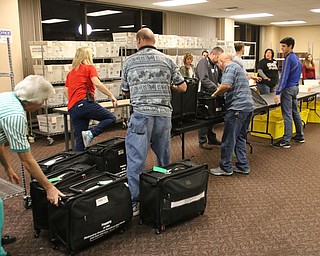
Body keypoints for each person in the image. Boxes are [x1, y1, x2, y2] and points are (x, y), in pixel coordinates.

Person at [121, 28, 187, 216]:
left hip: (141, 116)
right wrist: (169, 86)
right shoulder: (167, 60)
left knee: (136, 160)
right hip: (163, 116)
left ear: (139, 41)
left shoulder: (129, 62)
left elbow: (125, 91)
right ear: (153, 40)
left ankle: (135, 202)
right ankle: (163, 193)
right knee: (163, 158)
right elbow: (183, 87)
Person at [0, 75, 64, 255]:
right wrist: (49, 187)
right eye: (43, 100)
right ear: (32, 101)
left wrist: (7, 167)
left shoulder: (8, 97)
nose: (43, 104)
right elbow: (27, 159)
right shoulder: (15, 116)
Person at [64, 47, 118, 151]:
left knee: (80, 140)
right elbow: (96, 83)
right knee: (111, 118)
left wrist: (75, 100)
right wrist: (111, 95)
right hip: (84, 103)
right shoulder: (89, 67)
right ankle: (91, 133)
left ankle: (77, 164)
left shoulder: (70, 73)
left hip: (73, 108)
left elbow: (66, 91)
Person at [210, 52, 254, 176]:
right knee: (240, 137)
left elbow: (226, 85)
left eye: (219, 64)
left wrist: (214, 94)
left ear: (222, 62)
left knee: (228, 139)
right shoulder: (238, 67)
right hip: (247, 108)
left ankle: (225, 167)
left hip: (237, 109)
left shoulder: (229, 67)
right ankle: (243, 165)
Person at [273, 37, 304, 148]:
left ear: (290, 46)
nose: (281, 48)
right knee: (295, 112)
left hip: (288, 89)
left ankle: (286, 140)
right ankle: (300, 135)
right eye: (281, 46)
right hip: (295, 88)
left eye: (284, 46)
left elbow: (284, 77)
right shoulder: (297, 58)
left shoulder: (288, 59)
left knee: (287, 114)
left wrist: (278, 92)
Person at [196, 46, 224, 150]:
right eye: (218, 58)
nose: (219, 60)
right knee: (204, 118)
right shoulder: (203, 63)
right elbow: (204, 79)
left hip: (212, 94)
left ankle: (211, 138)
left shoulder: (216, 66)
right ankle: (202, 141)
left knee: (212, 117)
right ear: (212, 54)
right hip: (203, 95)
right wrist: (216, 88)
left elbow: (220, 79)